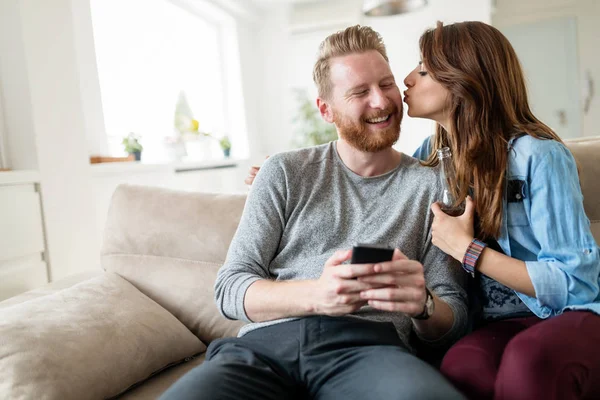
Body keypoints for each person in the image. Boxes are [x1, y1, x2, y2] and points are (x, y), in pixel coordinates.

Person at [160, 25, 468, 400]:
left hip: (370, 349)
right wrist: (317, 295)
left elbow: (455, 318)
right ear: (326, 109)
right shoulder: (284, 172)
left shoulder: (434, 185)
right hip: (263, 351)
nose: (381, 102)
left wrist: (424, 305)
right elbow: (229, 289)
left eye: (386, 85)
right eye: (359, 92)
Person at [403, 21, 600, 400]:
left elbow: (575, 284)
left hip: (569, 315)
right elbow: (375, 181)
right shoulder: (431, 156)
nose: (407, 79)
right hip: (492, 324)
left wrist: (468, 251)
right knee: (461, 368)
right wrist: (305, 175)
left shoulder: (540, 157)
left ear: (464, 79)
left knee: (527, 362)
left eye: (424, 70)